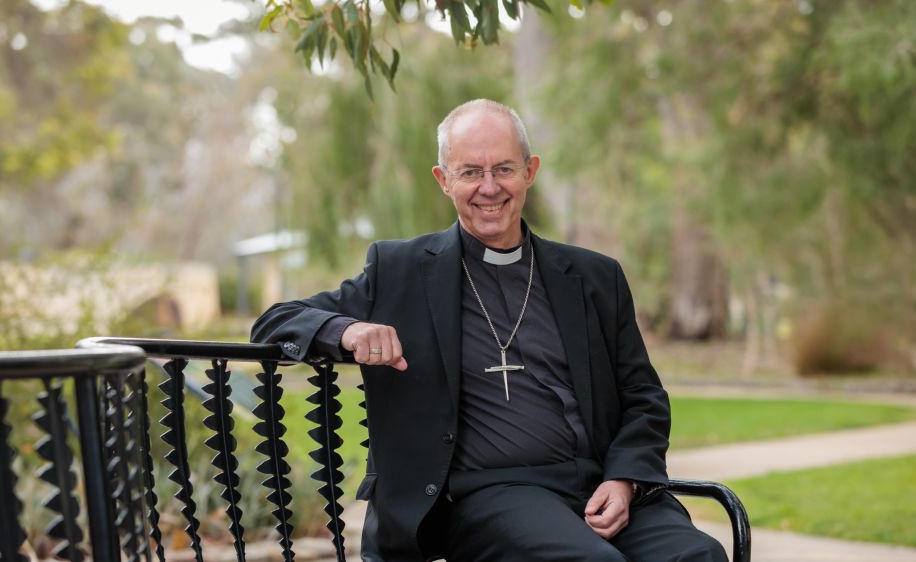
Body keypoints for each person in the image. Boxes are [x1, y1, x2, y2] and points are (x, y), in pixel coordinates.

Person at [252, 99, 727, 562]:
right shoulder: (400, 270)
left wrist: (624, 478)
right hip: (490, 497)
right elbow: (274, 321)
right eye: (470, 172)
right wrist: (347, 331)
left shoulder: (593, 277)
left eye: (503, 169)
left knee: (698, 553)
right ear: (443, 180)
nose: (489, 188)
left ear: (530, 172)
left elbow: (642, 395)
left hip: (600, 487)